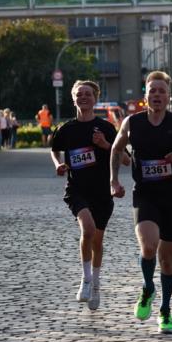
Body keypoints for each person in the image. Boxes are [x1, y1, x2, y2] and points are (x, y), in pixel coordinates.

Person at [111, 71, 172, 334]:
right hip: (145, 193)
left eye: (162, 91)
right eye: (153, 91)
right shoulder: (132, 122)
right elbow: (116, 149)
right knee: (149, 246)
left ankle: (165, 309)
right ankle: (147, 287)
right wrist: (113, 181)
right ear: (145, 96)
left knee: (168, 261)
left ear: (169, 96)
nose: (157, 95)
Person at [51, 80, 119, 310]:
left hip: (101, 191)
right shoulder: (66, 129)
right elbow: (55, 149)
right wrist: (58, 164)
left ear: (95, 98)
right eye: (79, 94)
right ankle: (86, 279)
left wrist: (104, 145)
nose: (83, 97)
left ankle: (96, 284)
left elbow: (127, 159)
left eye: (88, 94)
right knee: (87, 230)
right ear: (73, 98)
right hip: (77, 189)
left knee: (97, 241)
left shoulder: (106, 128)